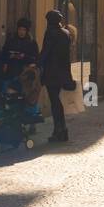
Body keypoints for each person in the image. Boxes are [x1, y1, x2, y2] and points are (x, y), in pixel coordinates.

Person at [38, 9, 74, 142]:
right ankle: (61, 130)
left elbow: (45, 52)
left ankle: (59, 130)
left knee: (55, 102)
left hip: (51, 73)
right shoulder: (66, 33)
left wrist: (37, 63)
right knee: (57, 101)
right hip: (63, 72)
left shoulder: (50, 33)